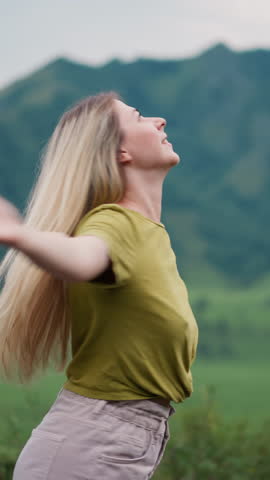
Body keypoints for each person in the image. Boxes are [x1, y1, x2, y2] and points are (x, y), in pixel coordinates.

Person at [0, 91, 199, 479]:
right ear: (120, 151)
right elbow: (82, 258)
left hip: (111, 441)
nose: (159, 121)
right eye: (139, 117)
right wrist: (17, 234)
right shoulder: (115, 223)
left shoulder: (147, 234)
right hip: (89, 446)